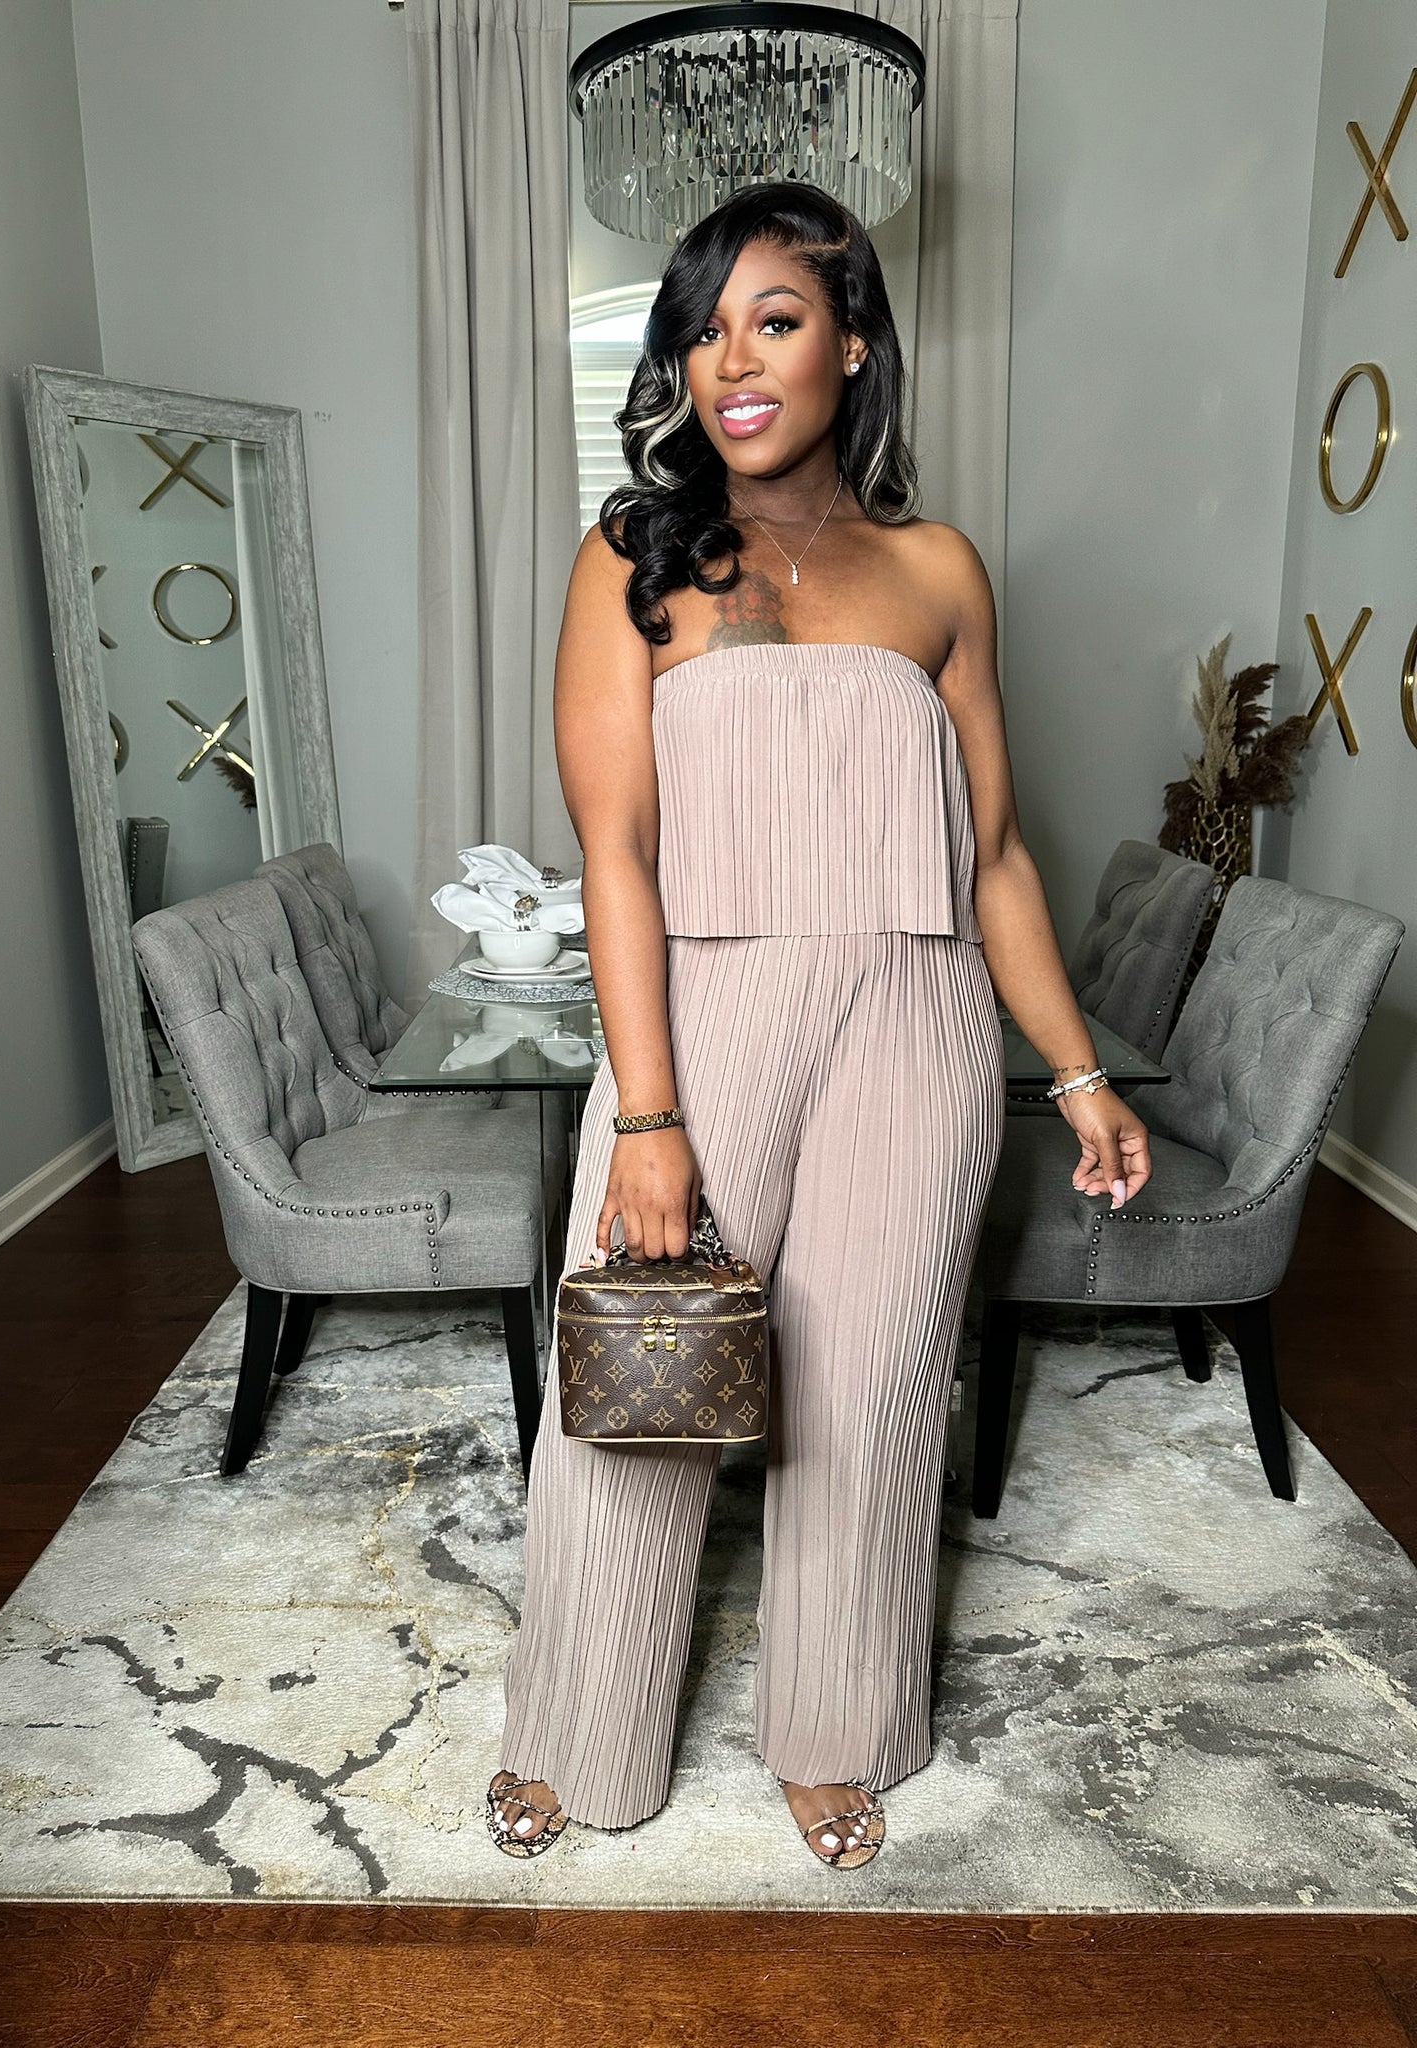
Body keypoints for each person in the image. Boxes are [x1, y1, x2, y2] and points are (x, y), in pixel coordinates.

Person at [485, 181, 1154, 1868]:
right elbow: (615, 851)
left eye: (773, 321)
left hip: (916, 1023)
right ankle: (577, 1729)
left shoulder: (938, 571)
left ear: (851, 344)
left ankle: (837, 1729)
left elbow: (996, 855)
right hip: (704, 1012)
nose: (733, 363)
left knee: (869, 1391)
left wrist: (1079, 1073)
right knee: (642, 1383)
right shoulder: (634, 561)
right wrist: (649, 1118)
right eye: (703, 333)